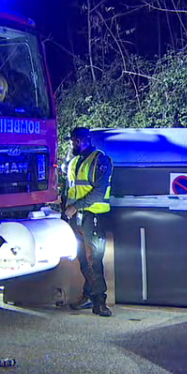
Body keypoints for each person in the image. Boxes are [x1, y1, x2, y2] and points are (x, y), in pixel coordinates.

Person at [63, 127, 114, 317]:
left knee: (93, 260)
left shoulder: (100, 160)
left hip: (93, 216)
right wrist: (65, 210)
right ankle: (88, 295)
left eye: (76, 141)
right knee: (83, 259)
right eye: (72, 141)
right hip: (76, 218)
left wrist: (74, 207)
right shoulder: (74, 162)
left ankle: (100, 302)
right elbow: (69, 189)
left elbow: (99, 192)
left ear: (86, 140)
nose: (73, 144)